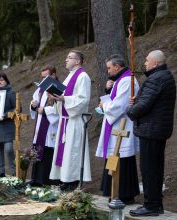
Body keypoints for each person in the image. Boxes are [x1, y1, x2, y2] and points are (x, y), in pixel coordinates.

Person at [128, 50, 176, 216]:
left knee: (149, 169)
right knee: (155, 168)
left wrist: (131, 110)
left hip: (151, 129)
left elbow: (144, 106)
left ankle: (151, 206)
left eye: (147, 61)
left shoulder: (155, 79)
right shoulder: (165, 76)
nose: (145, 64)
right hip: (158, 129)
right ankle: (156, 203)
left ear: (155, 63)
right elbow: (152, 101)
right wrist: (138, 101)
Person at [95, 54, 140, 204]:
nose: (107, 71)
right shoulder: (120, 80)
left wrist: (104, 105)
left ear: (117, 66)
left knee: (123, 159)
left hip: (122, 125)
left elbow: (119, 105)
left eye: (109, 68)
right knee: (114, 156)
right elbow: (115, 100)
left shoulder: (127, 81)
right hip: (115, 125)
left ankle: (124, 194)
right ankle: (113, 191)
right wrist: (108, 93)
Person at [49, 50, 91, 191]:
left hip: (74, 120)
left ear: (78, 61)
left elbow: (83, 99)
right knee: (65, 152)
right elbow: (63, 96)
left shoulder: (83, 77)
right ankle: (64, 179)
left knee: (72, 151)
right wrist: (55, 98)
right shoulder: (69, 77)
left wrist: (64, 99)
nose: (66, 60)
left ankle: (72, 181)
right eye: (66, 57)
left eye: (69, 57)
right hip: (65, 121)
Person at [28, 65, 59, 186]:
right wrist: (33, 105)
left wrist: (45, 110)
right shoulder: (41, 89)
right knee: (38, 148)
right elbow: (35, 102)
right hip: (40, 123)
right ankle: (36, 179)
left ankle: (47, 180)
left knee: (48, 150)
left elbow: (60, 108)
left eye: (46, 77)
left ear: (53, 75)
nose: (43, 80)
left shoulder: (57, 88)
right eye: (42, 77)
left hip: (51, 126)